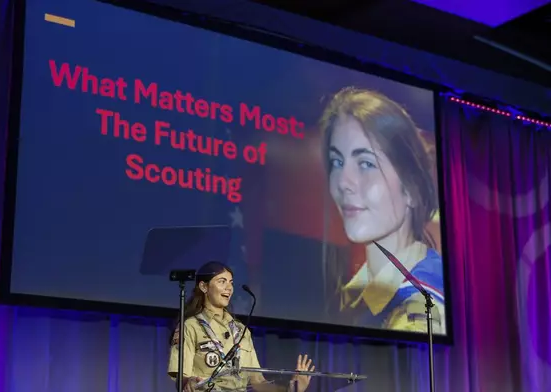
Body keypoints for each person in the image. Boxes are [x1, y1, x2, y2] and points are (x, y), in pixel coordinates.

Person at [319, 87, 446, 333]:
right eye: (337, 162)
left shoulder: (420, 308)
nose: (343, 182)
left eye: (366, 163)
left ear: (411, 188)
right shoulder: (353, 295)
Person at [167, 261, 315, 391]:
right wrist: (189, 382)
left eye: (231, 282)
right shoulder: (191, 326)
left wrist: (291, 388)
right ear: (204, 287)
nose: (229, 288)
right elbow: (181, 377)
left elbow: (259, 383)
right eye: (222, 281)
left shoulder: (241, 331)